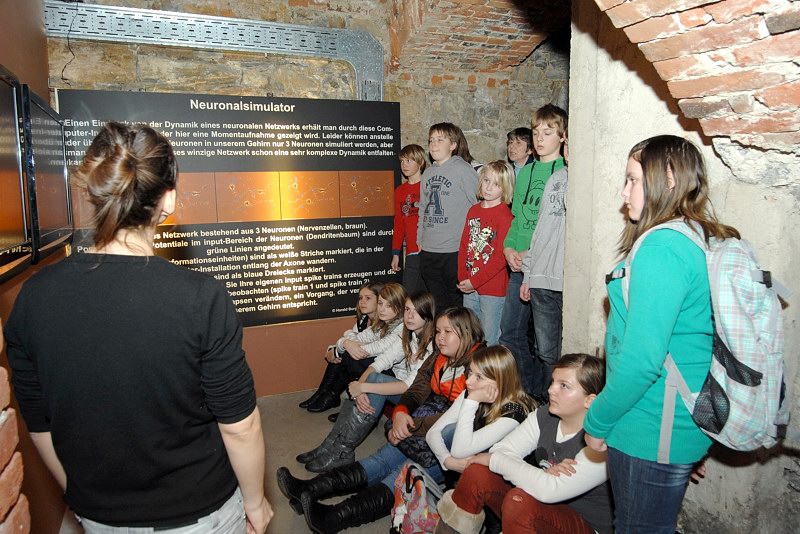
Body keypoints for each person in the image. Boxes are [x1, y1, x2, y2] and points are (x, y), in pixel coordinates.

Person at [3, 122, 272, 533]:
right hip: (200, 512)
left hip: (99, 515)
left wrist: (81, 496)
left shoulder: (33, 297)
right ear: (169, 199)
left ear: (95, 192)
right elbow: (241, 426)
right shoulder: (200, 297)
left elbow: (40, 427)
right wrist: (255, 502)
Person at [584, 135, 734, 533]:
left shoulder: (663, 248)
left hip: (651, 426)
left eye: (633, 180)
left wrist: (597, 421)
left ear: (667, 179)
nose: (624, 192)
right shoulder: (690, 235)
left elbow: (641, 363)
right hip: (667, 422)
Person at [278, 307, 485, 534]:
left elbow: (463, 420)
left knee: (401, 475)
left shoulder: (480, 366)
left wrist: (409, 426)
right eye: (437, 331)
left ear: (466, 332)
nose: (440, 337)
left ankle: (333, 518)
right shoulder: (440, 356)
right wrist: (401, 413)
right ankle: (309, 489)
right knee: (381, 460)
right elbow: (417, 389)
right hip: (424, 425)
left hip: (452, 447)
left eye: (447, 332)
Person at [435, 354, 612, 534]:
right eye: (553, 382)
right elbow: (501, 449)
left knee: (519, 501)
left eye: (564, 386)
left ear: (590, 400)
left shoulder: (602, 442)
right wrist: (541, 476)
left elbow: (548, 490)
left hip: (583, 525)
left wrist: (497, 461)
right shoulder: (546, 415)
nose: (551, 390)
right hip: (541, 503)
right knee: (477, 473)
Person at [289, 290, 432, 474]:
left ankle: (343, 450)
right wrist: (359, 390)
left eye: (416, 311)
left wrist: (363, 386)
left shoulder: (431, 343)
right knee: (371, 375)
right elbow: (379, 364)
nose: (410, 316)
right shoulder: (407, 335)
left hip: (420, 398)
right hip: (402, 388)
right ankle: (331, 444)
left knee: (374, 379)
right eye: (407, 310)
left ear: (427, 314)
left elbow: (408, 385)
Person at [499, 104, 567, 396]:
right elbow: (518, 218)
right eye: (536, 132)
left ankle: (545, 396)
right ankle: (530, 391)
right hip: (518, 263)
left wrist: (530, 253)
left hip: (545, 264)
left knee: (546, 345)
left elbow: (555, 227)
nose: (539, 139)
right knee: (509, 333)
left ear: (562, 136)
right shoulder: (526, 172)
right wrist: (508, 248)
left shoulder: (565, 171)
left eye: (547, 133)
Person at [426, 345, 534, 479]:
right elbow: (433, 432)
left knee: (448, 434)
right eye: (470, 372)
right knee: (407, 466)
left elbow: (459, 450)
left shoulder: (513, 414)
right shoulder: (473, 392)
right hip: (461, 461)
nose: (468, 381)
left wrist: (471, 402)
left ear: (500, 381)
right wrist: (447, 461)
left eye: (479, 377)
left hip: (499, 478)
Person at [520, 133, 569, 399]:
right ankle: (547, 403)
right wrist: (528, 272)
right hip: (540, 275)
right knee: (545, 351)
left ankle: (560, 404)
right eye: (568, 144)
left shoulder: (588, 181)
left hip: (567, 278)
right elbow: (539, 229)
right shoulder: (556, 178)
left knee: (566, 352)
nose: (569, 150)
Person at [418, 123, 480, 309]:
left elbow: (478, 206)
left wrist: (472, 245)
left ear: (453, 145)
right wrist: (420, 238)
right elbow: (423, 207)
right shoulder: (428, 173)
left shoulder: (463, 170)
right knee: (438, 303)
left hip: (454, 249)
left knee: (456, 303)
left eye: (440, 140)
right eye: (431, 140)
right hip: (429, 248)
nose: (433, 144)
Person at [300, 281, 384, 415]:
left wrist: (338, 349)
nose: (362, 302)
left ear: (380, 300)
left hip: (379, 366)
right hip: (364, 360)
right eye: (360, 298)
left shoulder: (384, 323)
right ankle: (323, 392)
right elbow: (351, 340)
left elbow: (358, 346)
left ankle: (333, 396)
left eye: (368, 298)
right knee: (342, 354)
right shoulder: (363, 319)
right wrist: (334, 349)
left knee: (346, 356)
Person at [457, 161, 515, 345]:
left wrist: (475, 281)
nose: (489, 187)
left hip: (492, 288)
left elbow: (500, 258)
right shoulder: (473, 210)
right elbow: (464, 245)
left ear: (505, 188)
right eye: (486, 181)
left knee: (490, 338)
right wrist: (463, 277)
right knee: (470, 336)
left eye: (496, 184)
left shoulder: (505, 215)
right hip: (469, 284)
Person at [391, 144, 428, 295]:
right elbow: (399, 224)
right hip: (411, 253)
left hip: (430, 251)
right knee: (410, 295)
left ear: (420, 162)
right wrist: (396, 253)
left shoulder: (428, 186)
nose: (404, 165)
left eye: (408, 161)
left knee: (430, 296)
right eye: (402, 161)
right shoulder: (400, 191)